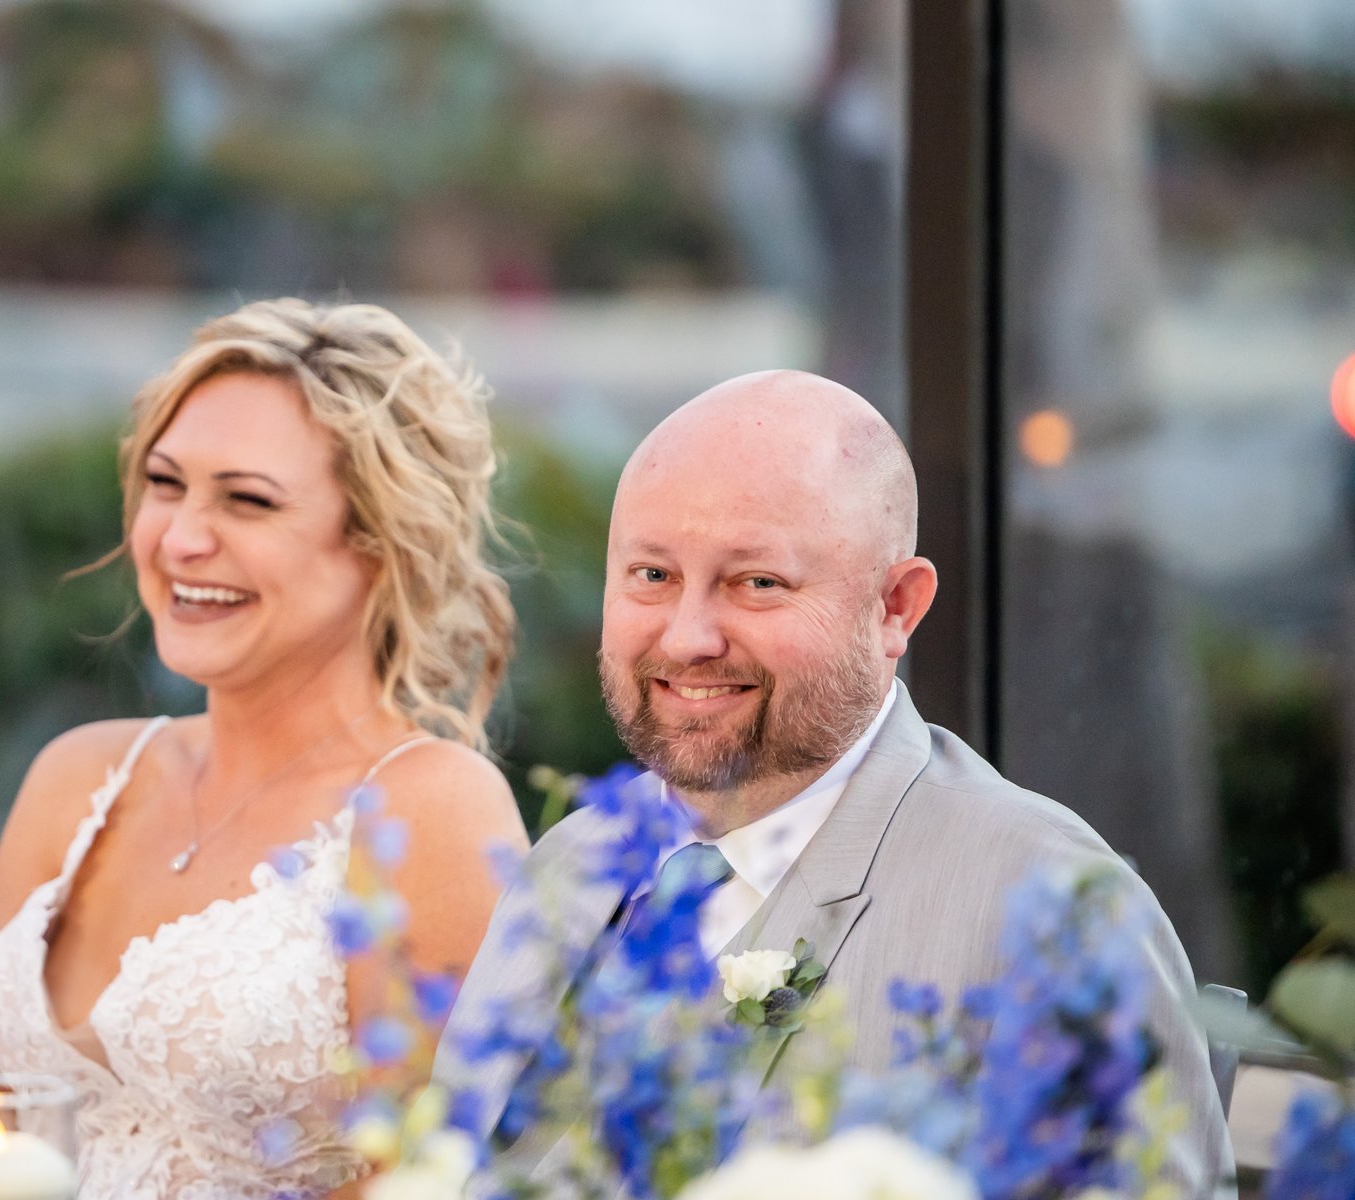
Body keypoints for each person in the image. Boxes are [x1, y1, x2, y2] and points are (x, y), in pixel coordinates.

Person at [435, 370, 1232, 1194]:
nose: (688, 637)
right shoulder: (573, 859)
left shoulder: (1049, 907)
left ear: (896, 607)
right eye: (652, 575)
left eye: (758, 583)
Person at [0, 298, 529, 1199]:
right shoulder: (78, 775)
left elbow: (422, 1180)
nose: (181, 539)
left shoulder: (431, 810)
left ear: (381, 543)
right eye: (165, 483)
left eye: (247, 500)